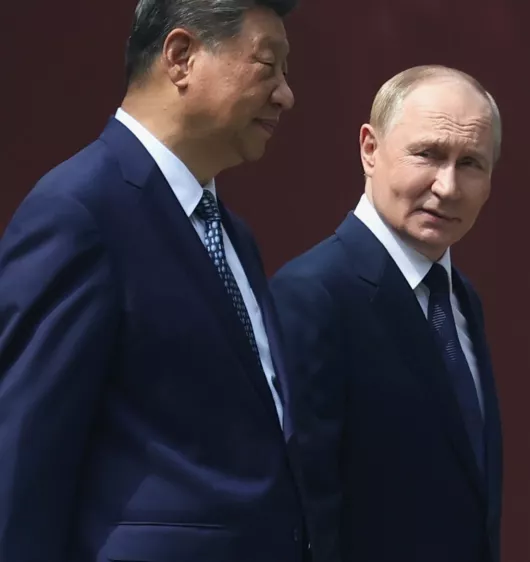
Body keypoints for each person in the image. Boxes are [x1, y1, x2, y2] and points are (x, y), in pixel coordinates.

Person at [0, 1, 307, 561]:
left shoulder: (234, 235)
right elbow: (24, 454)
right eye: (268, 66)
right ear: (181, 57)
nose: (285, 94)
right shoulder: (79, 212)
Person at [269, 65, 504, 562]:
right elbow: (304, 506)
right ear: (369, 149)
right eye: (428, 154)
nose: (447, 186)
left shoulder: (461, 299)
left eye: (471, 164)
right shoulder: (312, 296)